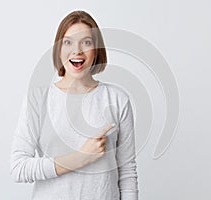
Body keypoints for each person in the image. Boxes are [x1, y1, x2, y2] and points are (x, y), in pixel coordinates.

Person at [10, 10, 139, 200]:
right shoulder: (38, 99)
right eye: (68, 42)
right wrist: (80, 158)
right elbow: (18, 167)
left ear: (96, 49)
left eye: (86, 42)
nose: (77, 50)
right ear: (58, 49)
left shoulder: (117, 99)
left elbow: (127, 173)